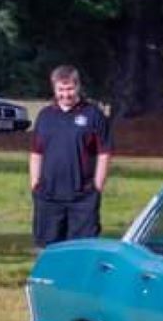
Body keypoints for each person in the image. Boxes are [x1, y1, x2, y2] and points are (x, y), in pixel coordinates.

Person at [28, 65, 112, 247]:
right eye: (61, 89)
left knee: (82, 250)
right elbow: (36, 152)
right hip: (49, 196)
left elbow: (104, 153)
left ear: (78, 86)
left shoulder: (93, 115)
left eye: (70, 89)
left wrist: (97, 186)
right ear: (54, 88)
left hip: (82, 197)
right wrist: (35, 183)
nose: (66, 94)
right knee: (48, 249)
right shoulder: (45, 116)